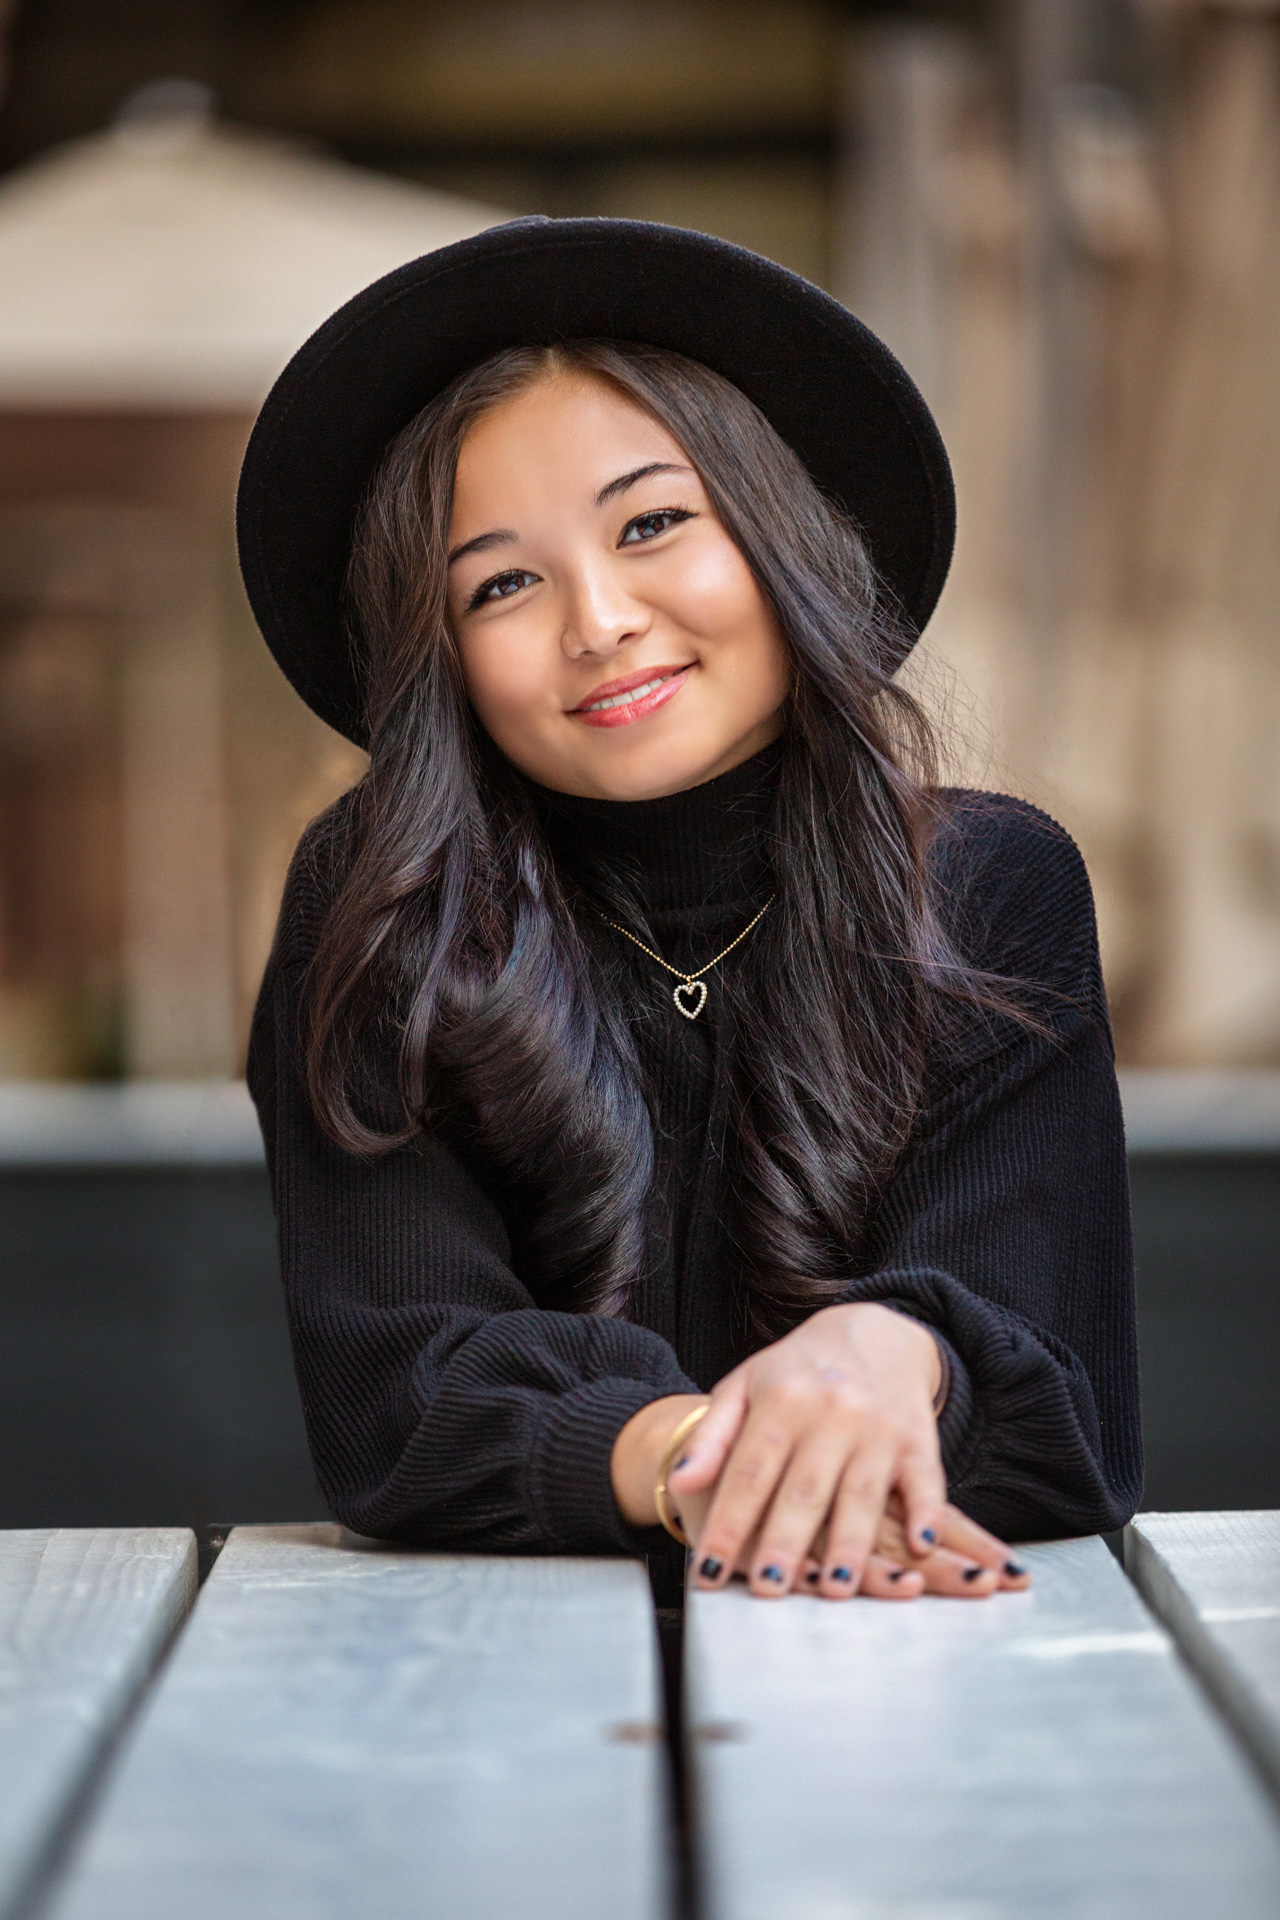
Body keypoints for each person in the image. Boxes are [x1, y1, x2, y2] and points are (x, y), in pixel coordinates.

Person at [239, 219, 1141, 1607]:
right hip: (497, 1686)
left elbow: (1058, 1415)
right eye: (500, 583)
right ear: (443, 659)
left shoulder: (990, 889)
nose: (597, 621)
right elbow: (396, 1404)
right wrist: (686, 1455)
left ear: (774, 530)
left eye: (653, 523)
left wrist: (892, 1355)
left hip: (929, 1667)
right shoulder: (383, 911)